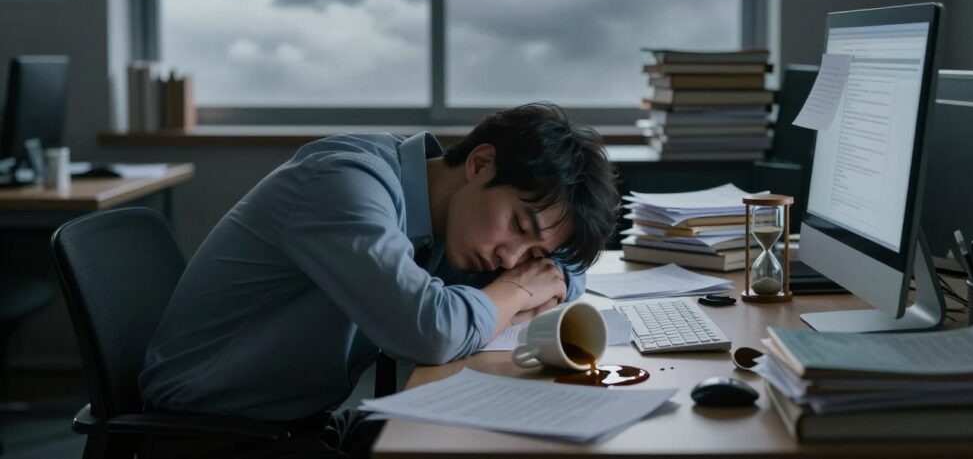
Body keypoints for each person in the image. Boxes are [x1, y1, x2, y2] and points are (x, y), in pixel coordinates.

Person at [139, 103, 621, 457]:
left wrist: (543, 272)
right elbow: (430, 330)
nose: (509, 257)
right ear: (479, 164)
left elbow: (565, 273)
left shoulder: (448, 215)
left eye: (529, 253)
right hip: (210, 436)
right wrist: (517, 290)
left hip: (302, 424)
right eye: (518, 227)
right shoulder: (344, 185)